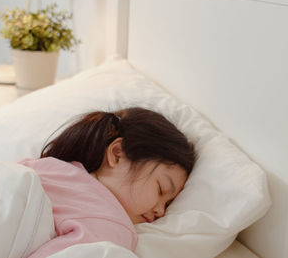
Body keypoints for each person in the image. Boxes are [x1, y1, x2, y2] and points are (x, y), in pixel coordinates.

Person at [20, 107, 196, 258]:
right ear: (117, 153)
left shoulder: (44, 167)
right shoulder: (112, 225)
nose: (161, 211)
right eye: (160, 189)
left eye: (168, 203)